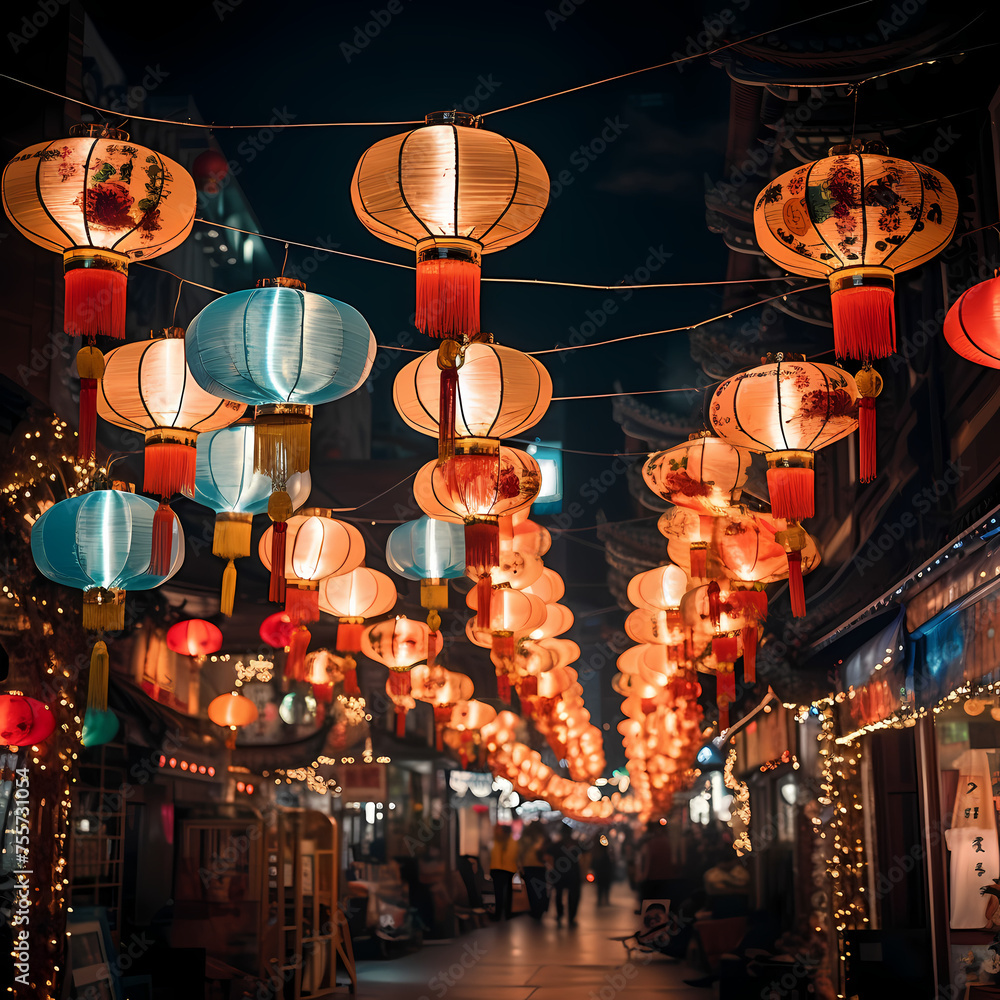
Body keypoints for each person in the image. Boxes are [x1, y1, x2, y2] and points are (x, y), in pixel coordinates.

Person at [549, 824, 582, 927]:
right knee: (573, 896)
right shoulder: (576, 844)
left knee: (559, 894)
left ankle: (560, 914)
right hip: (573, 874)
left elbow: (548, 855)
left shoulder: (557, 845)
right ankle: (571, 917)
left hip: (560, 873)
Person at [518, 821, 550, 920]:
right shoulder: (543, 836)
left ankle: (534, 909)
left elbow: (520, 851)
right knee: (541, 888)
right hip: (540, 866)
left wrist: (520, 865)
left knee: (531, 890)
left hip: (528, 865)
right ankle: (541, 908)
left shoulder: (525, 837)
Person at [489, 824, 518, 920]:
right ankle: (508, 914)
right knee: (508, 893)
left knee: (498, 893)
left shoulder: (497, 840)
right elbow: (516, 856)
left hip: (496, 869)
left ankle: (498, 915)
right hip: (509, 870)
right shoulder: (513, 842)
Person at [591, 834, 614, 906]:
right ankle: (604, 900)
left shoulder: (599, 851)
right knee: (603, 885)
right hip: (604, 869)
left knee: (601, 886)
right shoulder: (603, 851)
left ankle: (601, 900)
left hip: (602, 869)